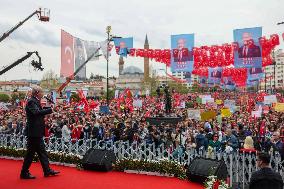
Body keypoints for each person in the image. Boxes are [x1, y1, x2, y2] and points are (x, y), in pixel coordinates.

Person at [20, 86, 59, 179]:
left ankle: (47, 170)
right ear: (37, 93)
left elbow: (39, 112)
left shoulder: (34, 101)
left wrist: (49, 108)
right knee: (31, 154)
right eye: (42, 92)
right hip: (33, 132)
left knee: (41, 152)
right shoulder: (31, 101)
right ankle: (24, 173)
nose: (43, 94)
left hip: (36, 132)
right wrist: (50, 109)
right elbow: (37, 112)